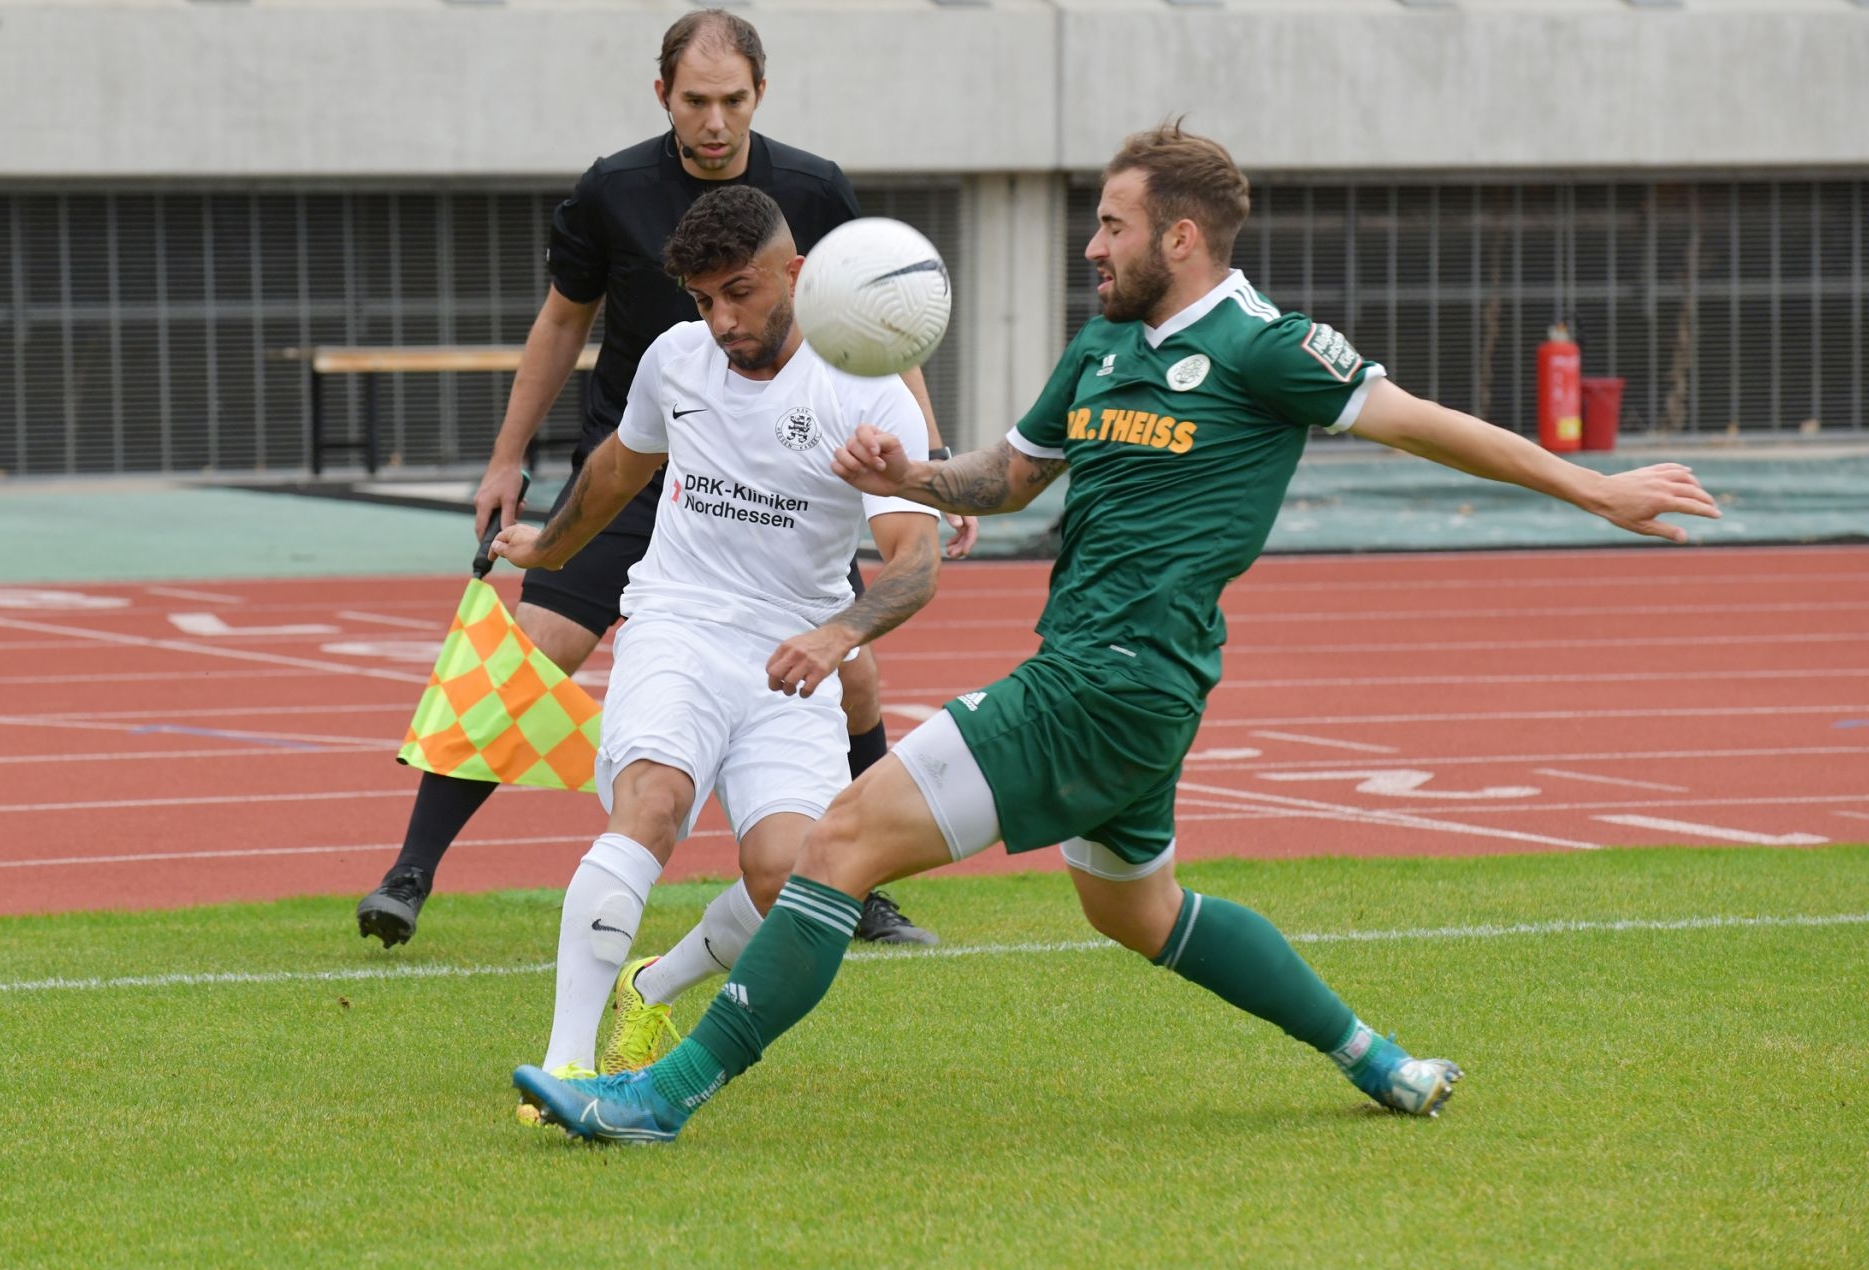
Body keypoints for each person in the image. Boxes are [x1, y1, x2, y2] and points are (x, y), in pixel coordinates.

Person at [512, 121, 1724, 1143]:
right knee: (1141, 913)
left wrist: (1597, 489)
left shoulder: (1266, 347)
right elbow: (1007, 480)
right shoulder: (1100, 349)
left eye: (1109, 226)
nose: (1090, 245)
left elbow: (1422, 423)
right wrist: (912, 471)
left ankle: (657, 1098)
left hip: (1111, 679)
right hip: (1127, 691)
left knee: (835, 842)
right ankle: (1377, 1059)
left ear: (1178, 238)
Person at [355, 8, 971, 950]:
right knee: (531, 653)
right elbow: (562, 322)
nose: (715, 121)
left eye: (733, 100)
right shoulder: (613, 189)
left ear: (760, 94)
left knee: (854, 675)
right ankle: (411, 869)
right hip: (635, 463)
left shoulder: (814, 188)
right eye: (696, 101)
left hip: (774, 483)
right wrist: (505, 457)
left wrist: (922, 467)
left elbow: (875, 329)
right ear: (664, 98)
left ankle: (854, 886)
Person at [489, 185, 941, 1095]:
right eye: (703, 300)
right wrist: (549, 544)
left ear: (798, 276)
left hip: (795, 657)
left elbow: (915, 562)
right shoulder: (677, 360)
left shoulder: (870, 393)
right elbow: (620, 466)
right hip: (677, 625)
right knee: (651, 803)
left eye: (740, 292)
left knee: (797, 880)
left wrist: (837, 634)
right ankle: (568, 1066)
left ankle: (651, 985)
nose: (722, 320)